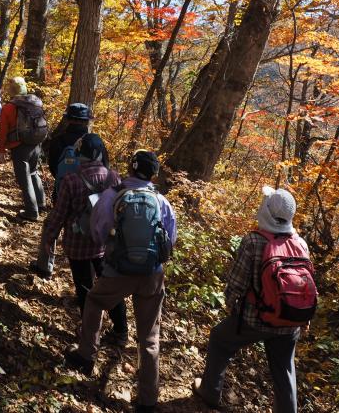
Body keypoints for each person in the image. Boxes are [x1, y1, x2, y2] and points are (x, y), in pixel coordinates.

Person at [64, 150, 177, 413]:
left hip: (118, 272)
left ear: (130, 168)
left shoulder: (113, 195)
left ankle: (86, 355)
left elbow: (97, 231)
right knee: (149, 337)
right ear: (154, 174)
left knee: (93, 301)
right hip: (152, 274)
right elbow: (169, 242)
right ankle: (148, 399)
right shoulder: (161, 202)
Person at [193, 187, 310, 413]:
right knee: (284, 369)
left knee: (219, 338)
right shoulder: (301, 243)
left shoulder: (253, 241)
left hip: (254, 320)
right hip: (289, 322)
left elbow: (235, 285)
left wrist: (231, 308)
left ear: (265, 211)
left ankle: (210, 391)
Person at [34, 135, 129, 342]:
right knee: (109, 288)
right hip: (105, 244)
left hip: (78, 247)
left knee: (85, 289)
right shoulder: (113, 178)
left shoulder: (71, 181)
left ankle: (88, 333)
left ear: (79, 155)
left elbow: (59, 215)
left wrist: (49, 239)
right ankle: (121, 330)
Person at [0, 77, 46, 221]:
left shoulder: (8, 107)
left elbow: (4, 131)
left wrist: (1, 150)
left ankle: (32, 212)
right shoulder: (35, 102)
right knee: (33, 172)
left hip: (19, 147)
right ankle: (41, 203)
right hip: (36, 144)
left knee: (24, 179)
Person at [47, 103, 108, 202]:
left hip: (62, 192)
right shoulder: (95, 142)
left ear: (67, 119)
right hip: (91, 197)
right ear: (87, 121)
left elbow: (54, 168)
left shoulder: (58, 140)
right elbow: (105, 166)